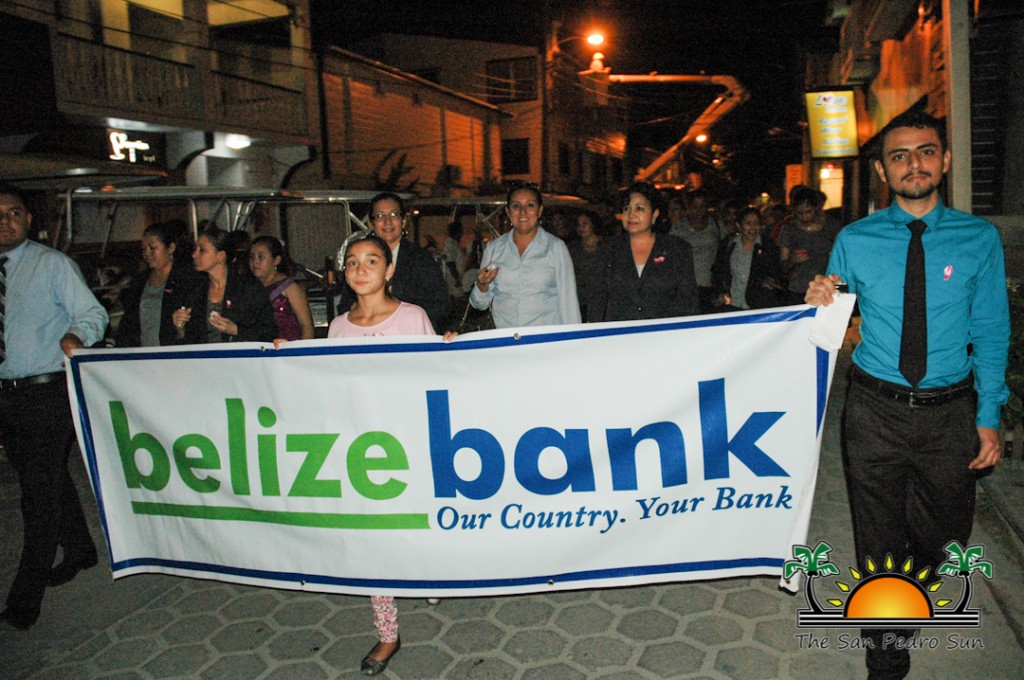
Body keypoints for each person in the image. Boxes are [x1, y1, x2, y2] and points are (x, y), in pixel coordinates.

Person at [805, 110, 1009, 680]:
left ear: (945, 160)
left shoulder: (978, 238)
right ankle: (886, 653)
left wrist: (988, 415)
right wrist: (818, 299)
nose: (913, 164)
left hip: (950, 414)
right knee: (878, 537)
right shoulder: (854, 239)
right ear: (882, 171)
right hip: (874, 410)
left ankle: (910, 588)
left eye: (925, 151)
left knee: (945, 539)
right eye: (899, 156)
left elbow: (992, 330)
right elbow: (829, 320)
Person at [327, 231, 454, 675]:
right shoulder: (338, 328)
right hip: (364, 449)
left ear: (389, 270)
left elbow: (436, 375)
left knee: (420, 520)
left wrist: (452, 349)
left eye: (371, 260)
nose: (361, 269)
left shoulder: (412, 317)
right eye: (352, 262)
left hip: (410, 441)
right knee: (374, 538)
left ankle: (429, 573)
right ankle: (387, 634)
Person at [0, 184, 108, 631]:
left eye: (14, 212)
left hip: (48, 392)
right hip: (7, 393)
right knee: (45, 477)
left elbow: (93, 314)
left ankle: (24, 600)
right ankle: (81, 550)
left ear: (29, 219)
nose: (6, 221)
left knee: (37, 495)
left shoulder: (52, 264)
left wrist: (76, 335)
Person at [470, 184, 581, 328]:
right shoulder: (494, 249)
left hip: (544, 338)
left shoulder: (555, 247)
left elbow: (569, 302)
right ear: (508, 212)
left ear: (539, 211)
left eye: (530, 205)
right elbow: (479, 304)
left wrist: (573, 337)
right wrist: (482, 284)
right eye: (516, 206)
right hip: (506, 337)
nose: (523, 212)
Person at [586, 181, 699, 322]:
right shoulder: (609, 249)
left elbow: (688, 301)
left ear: (654, 214)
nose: (631, 214)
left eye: (639, 209)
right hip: (620, 332)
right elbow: (597, 298)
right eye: (627, 209)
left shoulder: (676, 249)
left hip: (663, 331)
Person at [337, 193, 450, 330]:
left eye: (394, 215)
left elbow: (441, 306)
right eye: (380, 216)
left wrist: (396, 314)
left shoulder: (421, 259)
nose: (387, 222)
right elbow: (345, 306)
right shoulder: (359, 258)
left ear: (403, 221)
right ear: (370, 224)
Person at [172, 226, 276, 344]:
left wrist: (236, 330)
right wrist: (180, 327)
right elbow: (189, 339)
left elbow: (269, 332)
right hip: (204, 355)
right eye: (195, 249)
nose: (194, 255)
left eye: (202, 250)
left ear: (220, 256)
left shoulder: (248, 288)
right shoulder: (194, 289)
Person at [115, 220, 204, 347]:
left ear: (171, 248)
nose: (147, 253)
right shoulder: (140, 281)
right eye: (144, 249)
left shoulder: (187, 278)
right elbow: (128, 322)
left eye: (152, 248)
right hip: (141, 352)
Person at [710, 208, 783, 311]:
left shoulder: (767, 246)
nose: (753, 227)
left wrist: (768, 282)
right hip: (731, 304)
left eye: (756, 223)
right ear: (739, 226)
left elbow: (775, 272)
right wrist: (719, 293)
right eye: (748, 223)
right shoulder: (728, 245)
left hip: (758, 306)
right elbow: (718, 271)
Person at [779, 186, 841, 305]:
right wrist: (792, 260)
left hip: (828, 287)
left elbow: (843, 258)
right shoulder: (789, 230)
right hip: (799, 289)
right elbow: (783, 266)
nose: (804, 217)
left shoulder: (831, 227)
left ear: (816, 208)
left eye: (808, 212)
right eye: (799, 213)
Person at [248, 236, 315, 341]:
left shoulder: (290, 287)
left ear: (276, 260)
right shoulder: (249, 287)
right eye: (252, 257)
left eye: (261, 257)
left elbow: (307, 326)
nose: (255, 261)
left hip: (287, 348)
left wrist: (302, 350)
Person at [669, 188, 720, 312]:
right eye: (695, 207)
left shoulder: (715, 225)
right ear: (689, 207)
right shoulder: (679, 227)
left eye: (702, 207)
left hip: (709, 286)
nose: (699, 211)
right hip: (686, 287)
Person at [567, 210, 603, 319]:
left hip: (600, 302)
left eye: (585, 223)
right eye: (578, 224)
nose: (581, 228)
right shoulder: (573, 249)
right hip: (580, 302)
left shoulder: (606, 247)